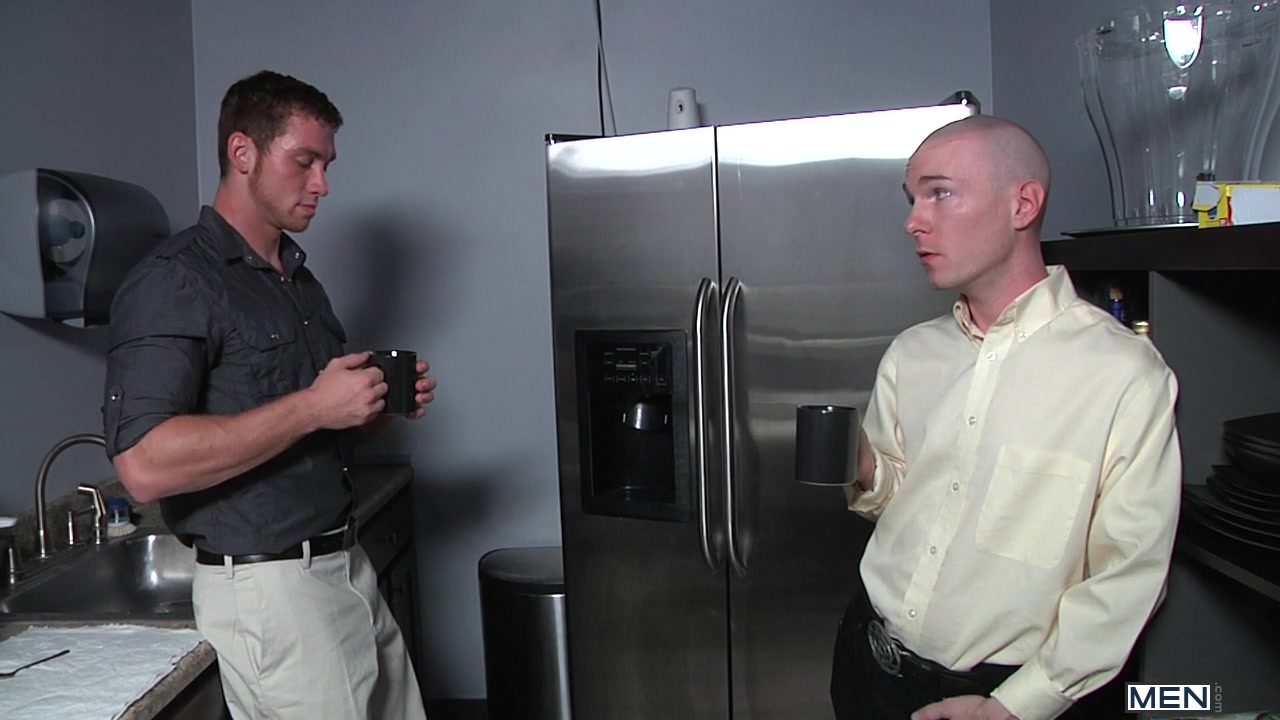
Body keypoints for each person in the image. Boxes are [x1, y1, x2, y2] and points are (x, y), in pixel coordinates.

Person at [102, 70, 435, 720]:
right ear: (243, 152)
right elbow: (142, 464)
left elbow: (305, 430)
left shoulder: (297, 282)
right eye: (304, 161)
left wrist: (369, 408)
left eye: (327, 165)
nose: (322, 184)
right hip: (272, 592)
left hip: (345, 567)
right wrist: (314, 406)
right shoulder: (174, 281)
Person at [829, 115, 1181, 720]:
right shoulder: (912, 353)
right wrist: (865, 466)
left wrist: (1015, 707)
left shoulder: (1124, 375)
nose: (914, 221)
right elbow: (902, 502)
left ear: (1022, 205)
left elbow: (1128, 576)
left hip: (996, 695)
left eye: (940, 193)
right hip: (866, 656)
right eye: (912, 199)